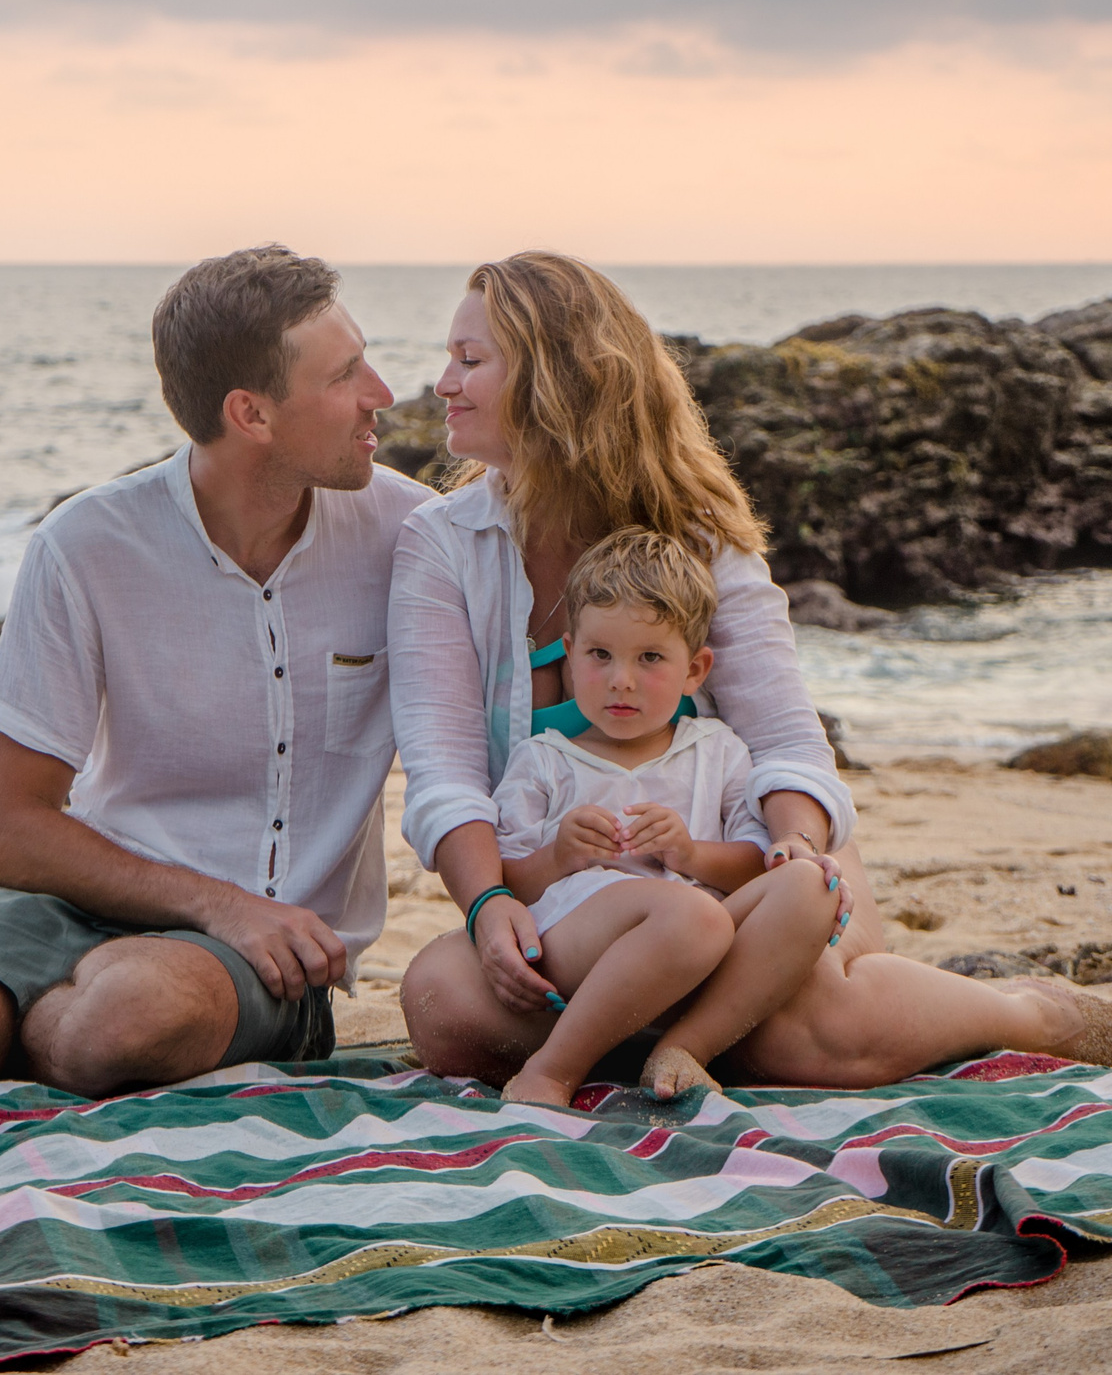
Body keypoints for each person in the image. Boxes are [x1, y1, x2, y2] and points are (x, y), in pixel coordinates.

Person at [390, 250, 1112, 1091]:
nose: (442, 383)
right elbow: (443, 776)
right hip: (578, 911)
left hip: (733, 873)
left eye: (471, 360)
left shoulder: (701, 538)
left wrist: (795, 850)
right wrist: (487, 906)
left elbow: (785, 743)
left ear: (558, 380)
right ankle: (666, 1029)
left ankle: (1028, 1014)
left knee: (806, 1041)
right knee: (443, 1004)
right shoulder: (442, 544)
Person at [0, 245, 427, 1097]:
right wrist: (210, 899)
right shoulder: (86, 546)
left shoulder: (415, 539)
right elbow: (13, 819)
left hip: (262, 958)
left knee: (129, 1019)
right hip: (74, 906)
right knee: (102, 1009)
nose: (380, 393)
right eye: (346, 375)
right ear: (252, 414)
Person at [494, 526, 847, 1107]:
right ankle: (551, 1071)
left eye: (650, 658)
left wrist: (691, 854)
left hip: (708, 954)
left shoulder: (719, 750)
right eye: (599, 655)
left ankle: (685, 1047)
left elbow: (756, 867)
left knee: (811, 884)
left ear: (695, 671)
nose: (620, 680)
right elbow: (506, 886)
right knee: (690, 918)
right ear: (569, 650)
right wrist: (559, 855)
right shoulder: (544, 759)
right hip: (589, 953)